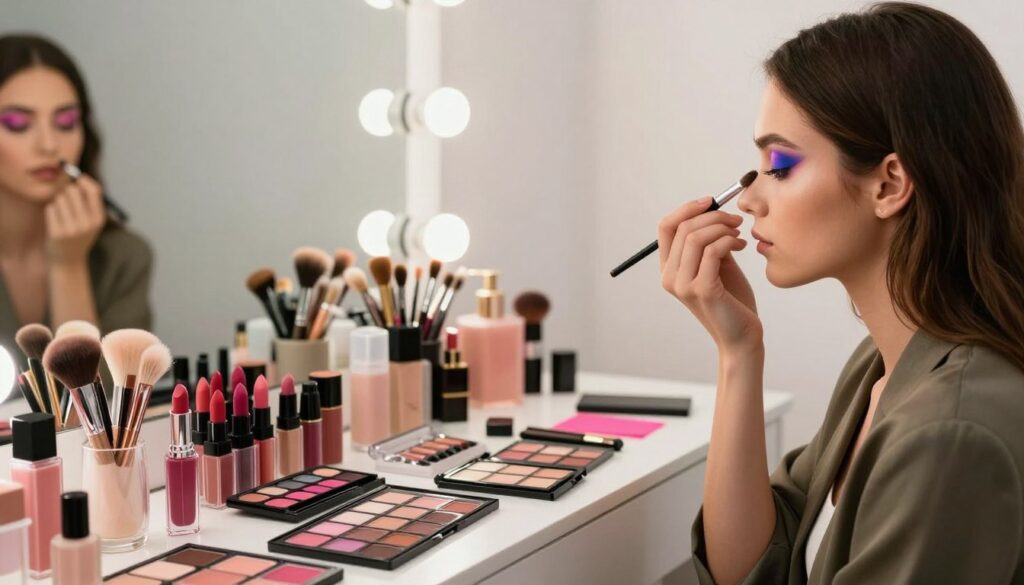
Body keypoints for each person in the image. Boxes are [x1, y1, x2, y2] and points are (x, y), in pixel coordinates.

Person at [658, 3, 1024, 583]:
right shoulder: (880, 365)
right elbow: (752, 569)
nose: (749, 200)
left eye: (780, 165)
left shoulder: (950, 432)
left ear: (889, 184)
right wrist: (739, 352)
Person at [0, 34, 152, 362]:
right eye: (17, 124)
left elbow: (106, 391)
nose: (48, 145)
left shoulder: (123, 258)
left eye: (66, 123)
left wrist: (68, 266)